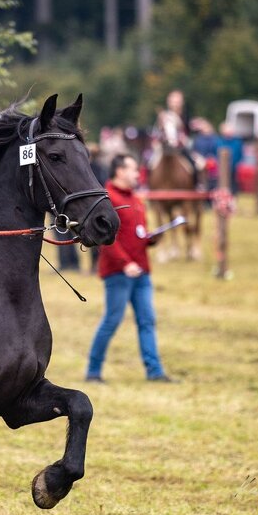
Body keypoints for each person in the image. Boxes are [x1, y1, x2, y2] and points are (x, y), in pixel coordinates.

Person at [85, 152, 176, 384]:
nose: (138, 173)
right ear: (120, 171)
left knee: (147, 320)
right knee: (112, 320)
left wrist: (150, 239)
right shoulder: (108, 199)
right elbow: (106, 239)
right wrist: (126, 264)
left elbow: (135, 234)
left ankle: (154, 371)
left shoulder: (135, 199)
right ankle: (93, 371)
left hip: (142, 272)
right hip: (119, 273)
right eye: (134, 169)